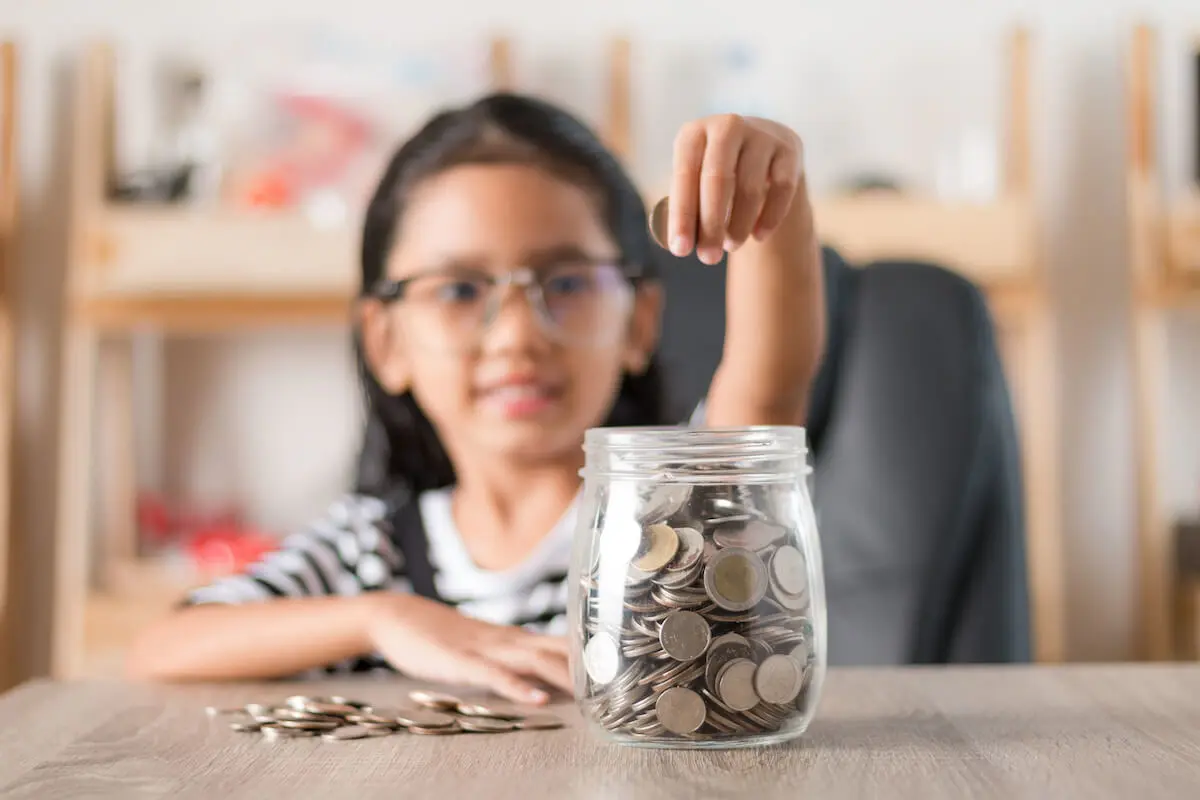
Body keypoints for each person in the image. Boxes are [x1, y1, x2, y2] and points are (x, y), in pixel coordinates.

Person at [126, 93, 826, 704]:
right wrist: (383, 618)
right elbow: (161, 648)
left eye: (568, 282)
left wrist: (774, 200)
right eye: (459, 290)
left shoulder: (682, 512)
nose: (517, 336)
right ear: (386, 343)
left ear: (640, 321)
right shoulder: (371, 555)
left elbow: (771, 380)